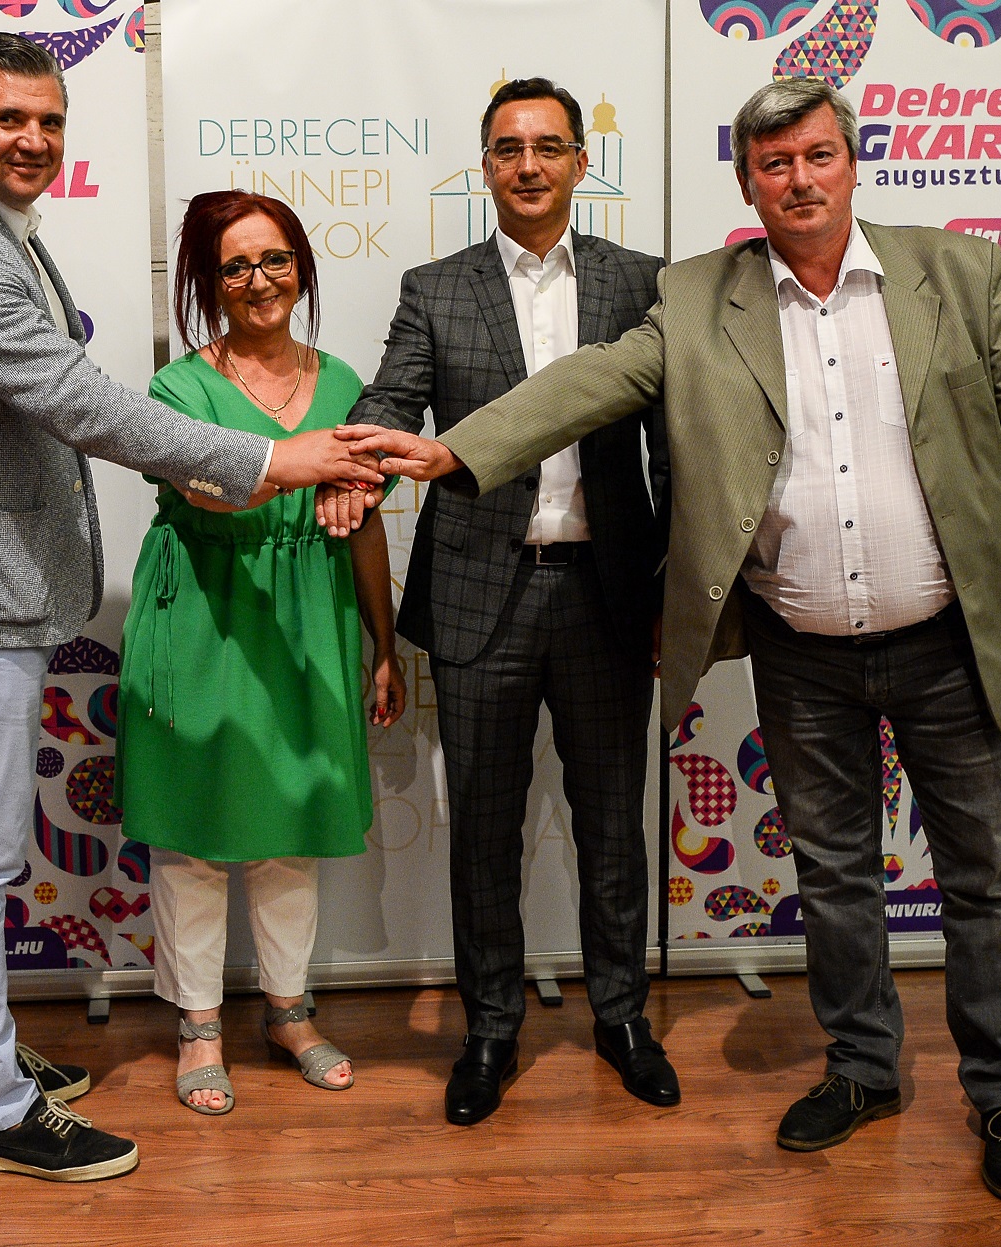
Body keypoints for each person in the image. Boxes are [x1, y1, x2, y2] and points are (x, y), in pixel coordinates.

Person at [340, 77, 1001, 1203]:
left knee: (985, 878)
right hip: (799, 642)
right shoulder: (698, 295)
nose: (799, 180)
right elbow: (595, 382)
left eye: (817, 156)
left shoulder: (956, 270)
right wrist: (457, 452)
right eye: (773, 163)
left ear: (851, 162)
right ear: (746, 183)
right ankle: (862, 1068)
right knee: (833, 875)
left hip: (943, 632)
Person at [0, 35, 380, 1182]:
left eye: (49, 120)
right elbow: (76, 400)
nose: (33, 139)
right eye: (7, 119)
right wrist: (275, 460)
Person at [330, 78, 675, 1127]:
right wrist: (353, 462)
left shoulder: (643, 281)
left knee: (612, 822)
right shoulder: (436, 288)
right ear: (483, 166)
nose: (528, 165)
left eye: (549, 146)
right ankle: (488, 1027)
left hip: (608, 594)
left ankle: (622, 1016)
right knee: (481, 825)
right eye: (508, 148)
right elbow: (392, 399)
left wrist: (672, 582)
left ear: (580, 162)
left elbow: (677, 444)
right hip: (481, 593)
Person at [118, 190, 404, 1115]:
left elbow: (363, 522)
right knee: (193, 832)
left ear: (301, 268)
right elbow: (209, 491)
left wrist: (383, 641)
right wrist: (297, 464)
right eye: (234, 266)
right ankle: (198, 1025)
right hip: (203, 612)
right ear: (208, 283)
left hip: (311, 615)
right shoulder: (178, 387)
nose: (258, 280)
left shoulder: (344, 381)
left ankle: (289, 1011)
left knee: (293, 822)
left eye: (274, 259)